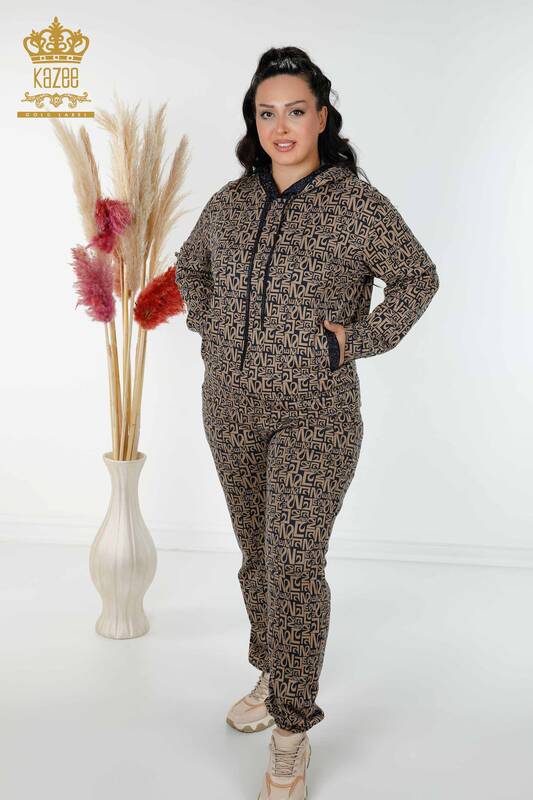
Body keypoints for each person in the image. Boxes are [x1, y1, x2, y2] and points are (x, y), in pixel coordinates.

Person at [174, 45, 439, 800]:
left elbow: (417, 277)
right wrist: (214, 329)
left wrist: (355, 340)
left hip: (315, 415)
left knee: (293, 560)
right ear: (253, 123)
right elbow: (190, 268)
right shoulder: (232, 200)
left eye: (296, 111)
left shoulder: (355, 203)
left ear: (323, 117)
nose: (281, 127)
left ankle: (291, 733)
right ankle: (273, 669)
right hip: (228, 407)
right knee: (257, 557)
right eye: (267, 113)